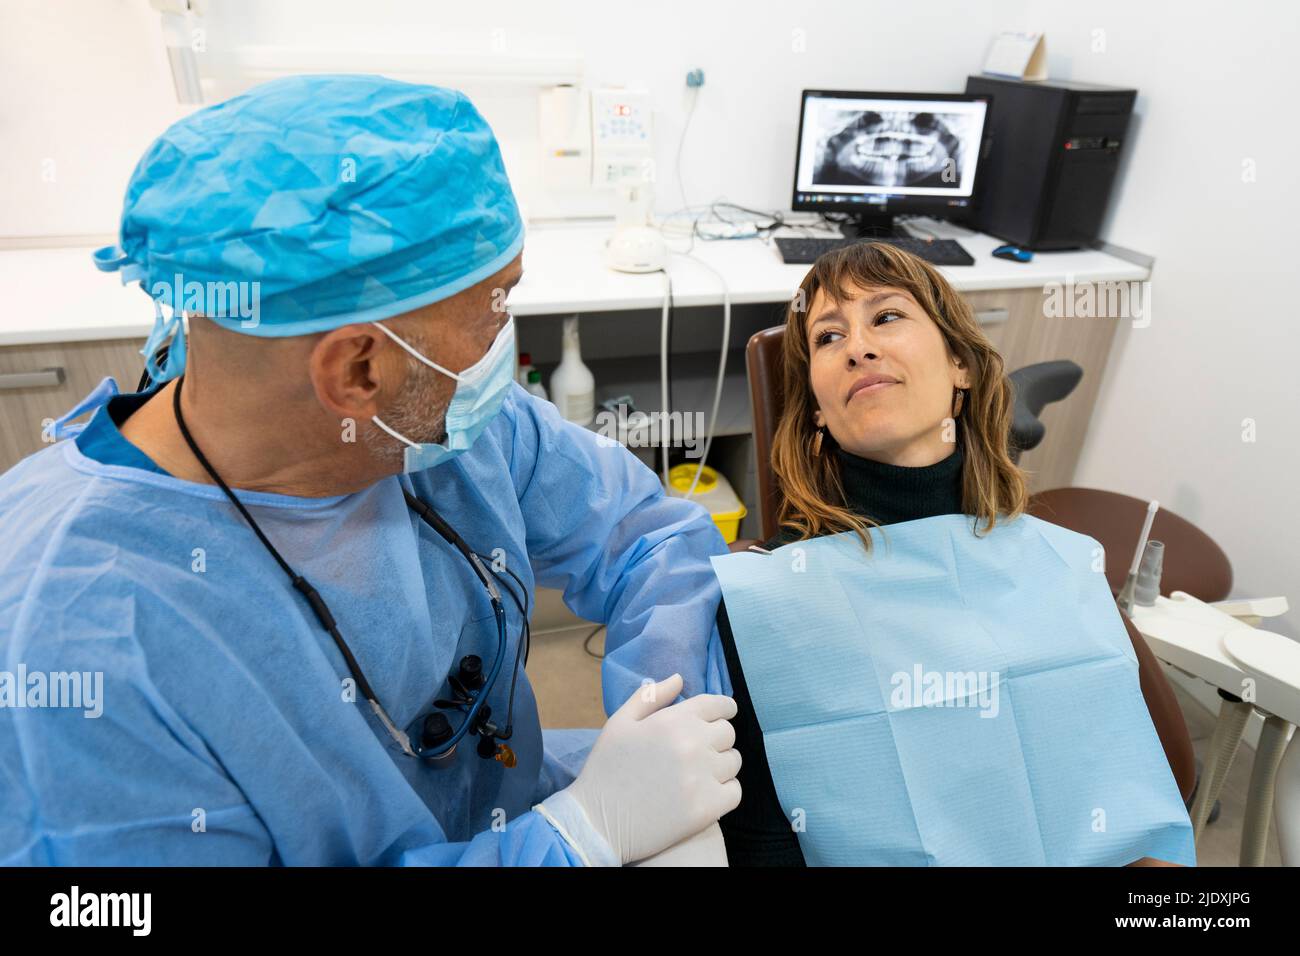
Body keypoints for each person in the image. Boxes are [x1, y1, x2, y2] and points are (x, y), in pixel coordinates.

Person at [0, 74, 741, 866]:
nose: (503, 340)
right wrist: (571, 842)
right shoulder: (75, 640)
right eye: (495, 304)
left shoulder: (441, 428)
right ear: (358, 368)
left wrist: (663, 718)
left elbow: (649, 537)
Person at [715, 241, 1195, 866]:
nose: (858, 346)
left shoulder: (1059, 564)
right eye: (829, 337)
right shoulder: (771, 604)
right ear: (815, 409)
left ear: (960, 365)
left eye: (886, 317)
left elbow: (1128, 805)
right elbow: (762, 846)